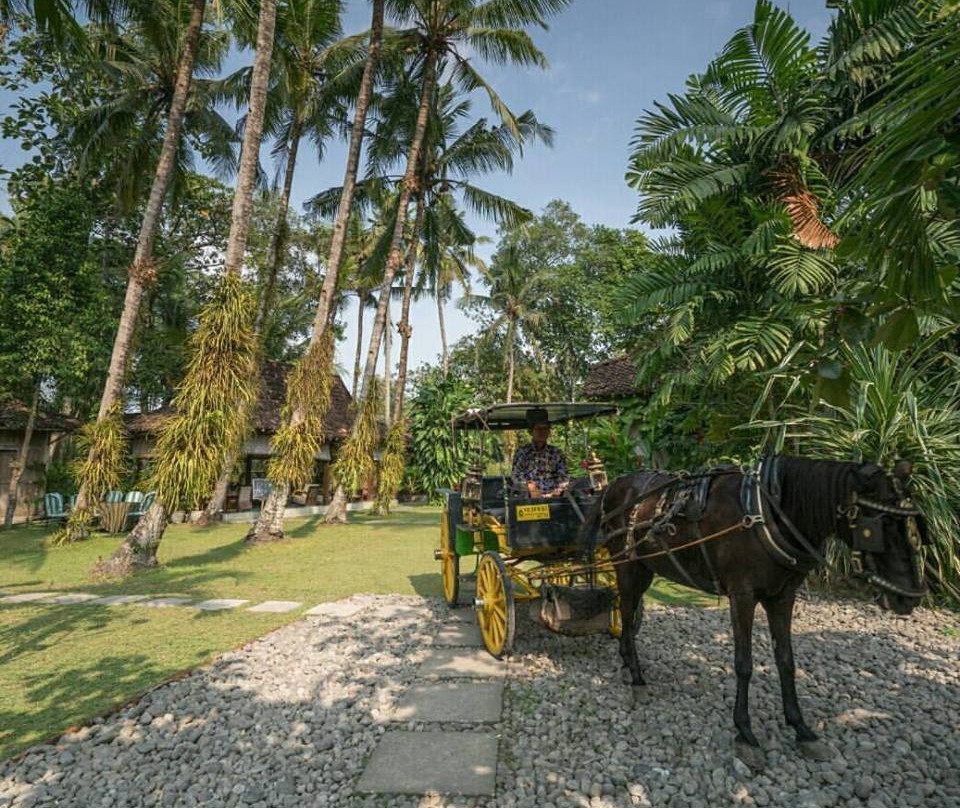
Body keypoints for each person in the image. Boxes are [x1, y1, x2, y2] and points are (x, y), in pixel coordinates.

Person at [511, 412, 570, 498]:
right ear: (531, 432)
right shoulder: (522, 452)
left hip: (554, 498)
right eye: (538, 429)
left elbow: (564, 476)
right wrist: (528, 485)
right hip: (529, 498)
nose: (542, 432)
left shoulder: (556, 453)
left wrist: (558, 490)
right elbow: (516, 475)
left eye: (545, 429)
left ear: (549, 432)